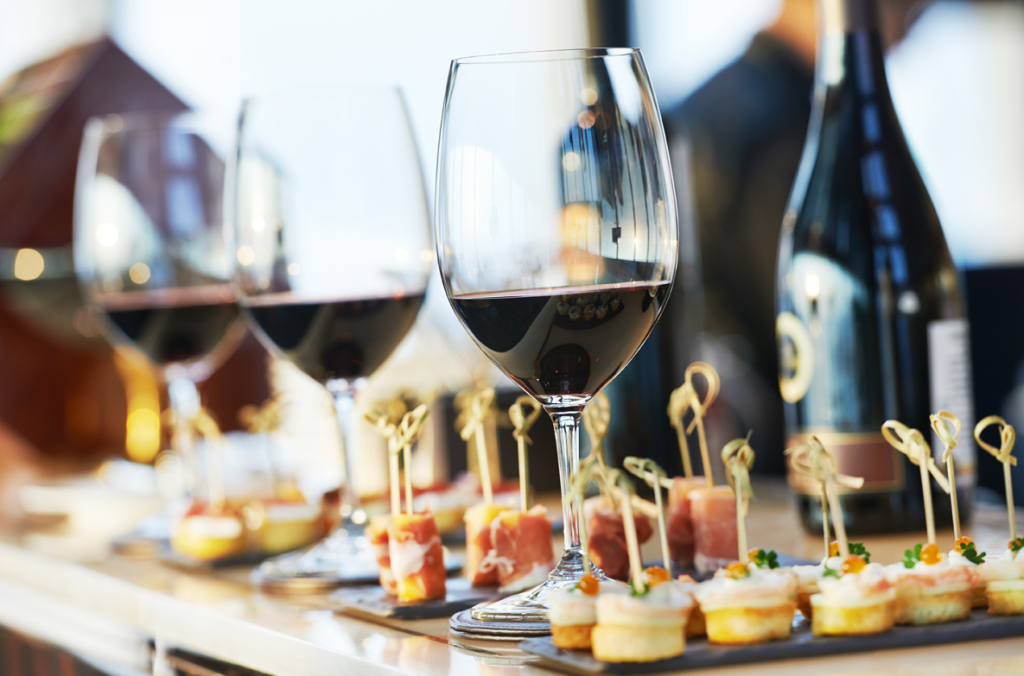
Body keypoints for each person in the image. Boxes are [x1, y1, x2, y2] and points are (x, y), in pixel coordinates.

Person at [657, 0, 931, 474]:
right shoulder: (788, 130)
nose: (905, 39)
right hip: (778, 459)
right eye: (910, 15)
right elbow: (821, 320)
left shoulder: (698, 108)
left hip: (712, 447)